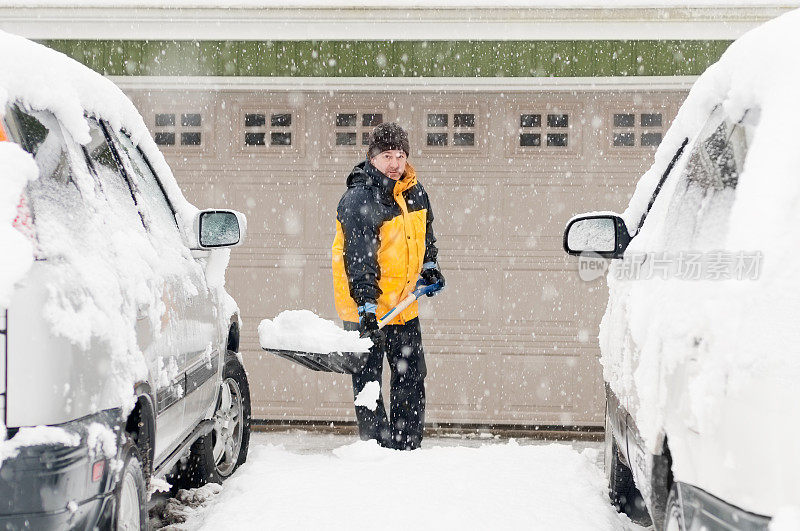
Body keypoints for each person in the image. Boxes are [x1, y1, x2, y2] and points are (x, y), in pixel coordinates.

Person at [331, 122, 444, 450]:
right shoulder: (358, 199)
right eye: (387, 156)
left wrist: (430, 267)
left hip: (404, 305)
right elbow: (359, 261)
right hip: (364, 308)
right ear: (372, 158)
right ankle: (375, 453)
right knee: (368, 387)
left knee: (411, 378)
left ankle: (407, 448)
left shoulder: (416, 191)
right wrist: (366, 308)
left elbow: (427, 236)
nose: (395, 163)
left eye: (400, 155)